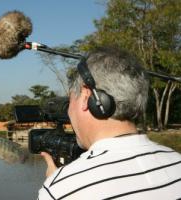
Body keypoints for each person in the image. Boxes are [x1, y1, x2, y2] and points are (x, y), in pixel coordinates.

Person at [38, 47, 181, 199]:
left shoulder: (60, 189)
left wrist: (58, 183)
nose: (68, 110)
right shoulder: (177, 161)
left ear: (87, 97)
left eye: (70, 99)